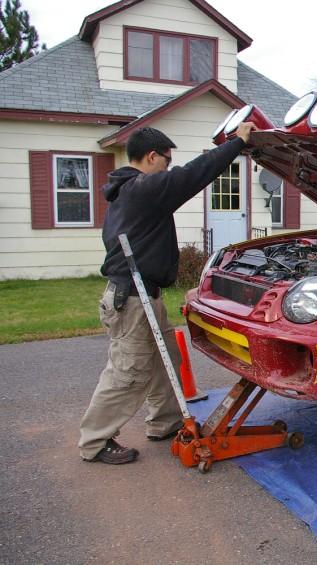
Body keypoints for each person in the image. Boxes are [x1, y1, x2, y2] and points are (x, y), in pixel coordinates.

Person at [79, 122, 255, 464]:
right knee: (128, 371)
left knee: (166, 361)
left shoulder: (131, 192)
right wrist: (237, 144)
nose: (168, 168)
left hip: (143, 293)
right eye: (166, 161)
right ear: (151, 157)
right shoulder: (141, 189)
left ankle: (166, 422)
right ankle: (95, 441)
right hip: (131, 297)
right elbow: (192, 175)